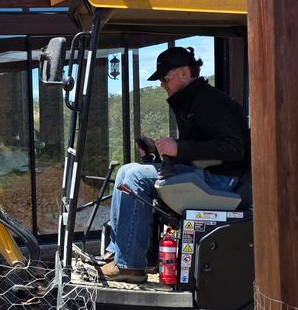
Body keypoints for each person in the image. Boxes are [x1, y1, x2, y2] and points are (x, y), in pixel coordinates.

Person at [99, 45, 250, 283]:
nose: (162, 84)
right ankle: (120, 253)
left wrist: (179, 148)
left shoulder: (210, 101)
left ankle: (129, 265)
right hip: (205, 171)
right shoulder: (194, 100)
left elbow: (233, 148)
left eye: (164, 78)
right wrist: (157, 148)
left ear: (183, 73)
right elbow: (203, 144)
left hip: (221, 179)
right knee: (127, 170)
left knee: (135, 178)